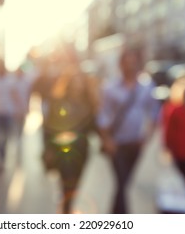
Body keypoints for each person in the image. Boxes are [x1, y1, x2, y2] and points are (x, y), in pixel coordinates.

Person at [97, 46, 160, 214]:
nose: (130, 66)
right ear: (121, 65)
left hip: (135, 143)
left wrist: (147, 137)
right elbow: (103, 116)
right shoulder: (110, 88)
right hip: (116, 143)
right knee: (122, 182)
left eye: (134, 62)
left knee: (123, 184)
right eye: (127, 62)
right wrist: (106, 140)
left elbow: (154, 113)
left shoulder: (146, 87)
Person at [43, 65, 98, 214]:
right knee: (66, 182)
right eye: (74, 81)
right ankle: (66, 210)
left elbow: (94, 126)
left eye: (80, 81)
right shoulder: (59, 102)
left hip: (81, 150)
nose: (77, 85)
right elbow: (49, 127)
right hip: (63, 150)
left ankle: (68, 206)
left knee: (76, 182)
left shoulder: (88, 104)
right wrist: (48, 149)